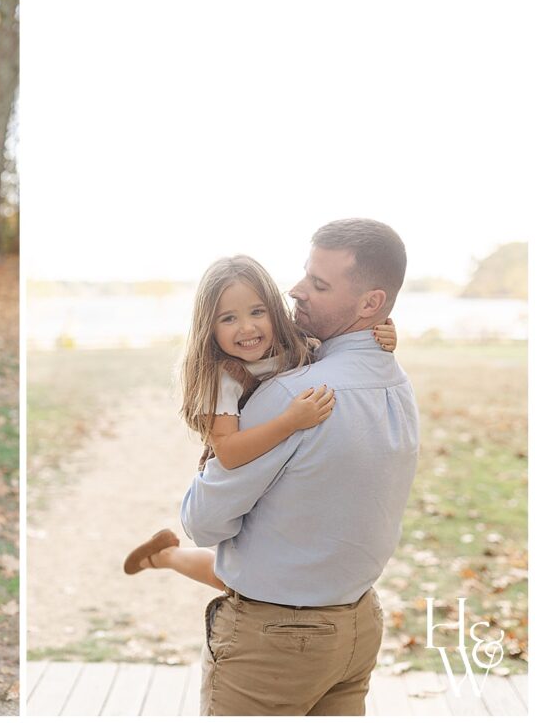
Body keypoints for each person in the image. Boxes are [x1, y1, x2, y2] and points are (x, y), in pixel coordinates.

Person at [181, 219, 418, 715]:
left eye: (319, 284)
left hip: (276, 645)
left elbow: (202, 524)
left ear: (371, 304)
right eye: (304, 275)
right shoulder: (397, 384)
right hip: (357, 625)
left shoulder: (297, 396)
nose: (297, 290)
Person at [122, 254, 396, 586]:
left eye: (257, 312)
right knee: (236, 579)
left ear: (273, 310)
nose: (247, 328)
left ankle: (166, 554)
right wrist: (290, 421)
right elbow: (229, 451)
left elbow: (343, 332)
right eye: (228, 318)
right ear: (208, 327)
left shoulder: (293, 342)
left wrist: (384, 333)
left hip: (281, 467)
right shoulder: (222, 376)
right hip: (242, 461)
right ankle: (167, 555)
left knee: (259, 568)